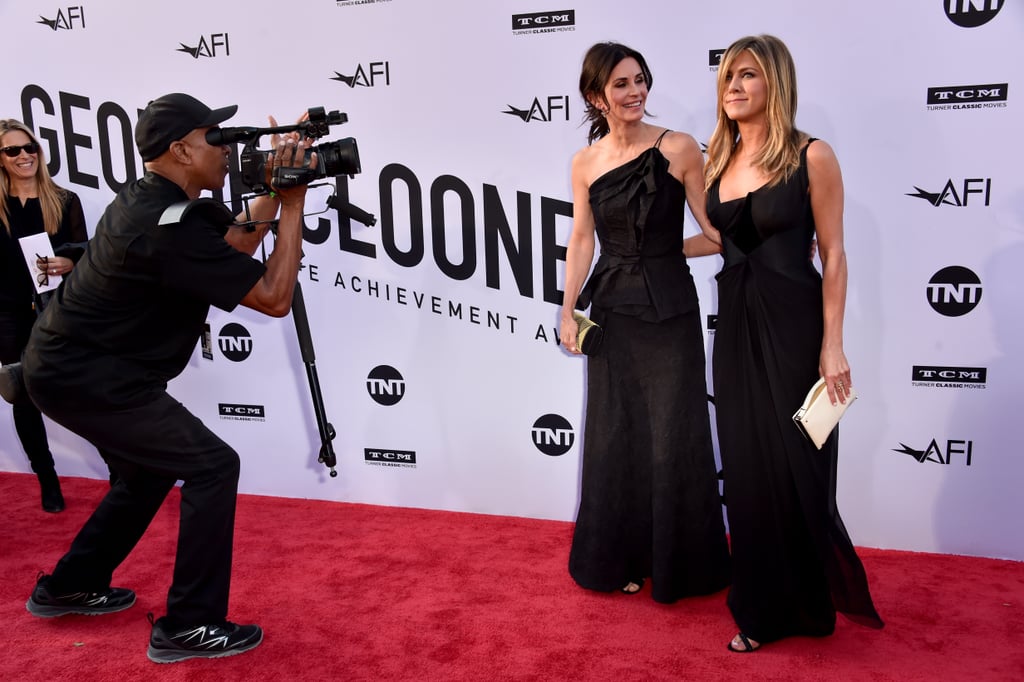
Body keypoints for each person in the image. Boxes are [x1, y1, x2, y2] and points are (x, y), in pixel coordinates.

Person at [20, 93, 316, 663]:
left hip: (71, 368)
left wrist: (276, 194)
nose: (228, 149)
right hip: (89, 377)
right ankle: (190, 625)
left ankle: (68, 585)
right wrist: (294, 204)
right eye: (216, 138)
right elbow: (275, 298)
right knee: (212, 465)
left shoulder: (154, 198)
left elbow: (229, 248)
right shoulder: (163, 222)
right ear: (181, 149)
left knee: (149, 474)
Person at [697, 34, 884, 652]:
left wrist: (833, 344)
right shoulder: (716, 162)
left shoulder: (812, 155)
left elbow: (832, 254)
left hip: (796, 325)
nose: (733, 86)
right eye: (727, 76)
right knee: (748, 466)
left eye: (747, 75)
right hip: (736, 328)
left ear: (774, 82)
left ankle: (808, 602)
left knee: (801, 460)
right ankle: (759, 605)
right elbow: (721, 242)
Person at [559, 42, 731, 604]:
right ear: (596, 97)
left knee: (673, 437)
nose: (635, 93)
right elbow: (582, 238)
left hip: (669, 313)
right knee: (616, 437)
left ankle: (679, 566)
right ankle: (623, 558)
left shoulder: (678, 147)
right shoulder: (585, 163)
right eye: (620, 85)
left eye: (640, 81)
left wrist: (662, 250)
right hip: (612, 311)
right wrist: (567, 310)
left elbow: (714, 231)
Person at [0, 119, 90, 512]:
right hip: (7, 314)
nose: (24, 156)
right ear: (1, 160)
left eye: (30, 148)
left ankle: (117, 469)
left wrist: (68, 260)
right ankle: (47, 479)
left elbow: (85, 250)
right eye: (13, 151)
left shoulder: (64, 199)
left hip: (55, 310)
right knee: (23, 397)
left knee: (81, 390)